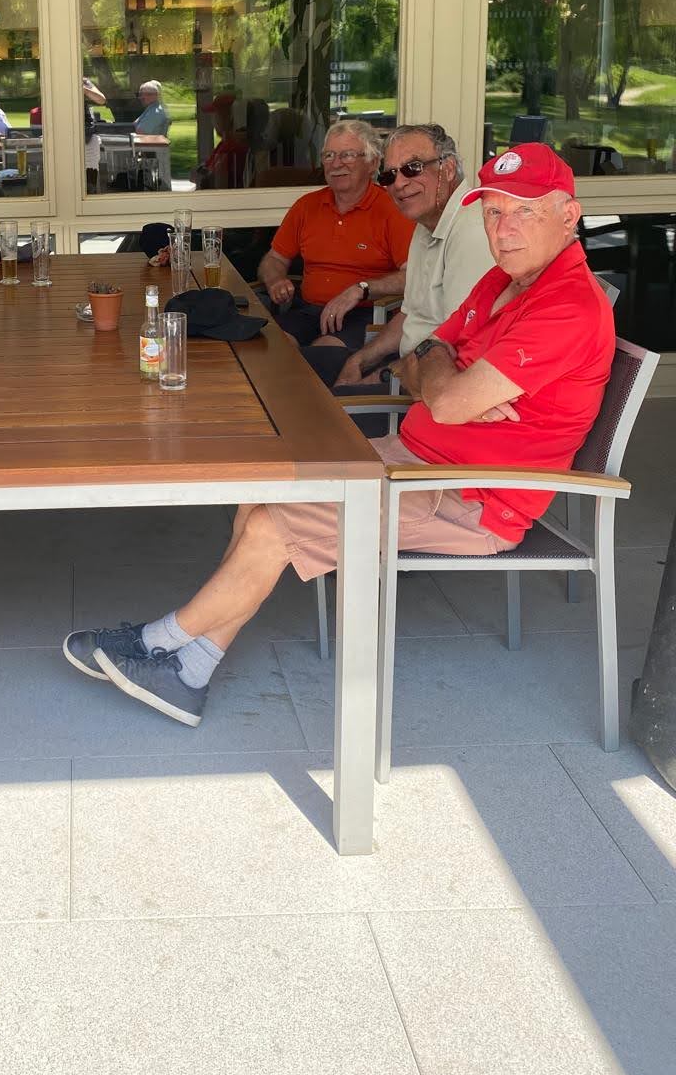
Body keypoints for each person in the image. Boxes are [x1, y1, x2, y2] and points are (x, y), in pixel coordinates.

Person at [64, 144, 615, 727]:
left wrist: (441, 378)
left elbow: (445, 396)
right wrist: (439, 367)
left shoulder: (566, 306)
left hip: (472, 496)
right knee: (263, 491)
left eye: (524, 210)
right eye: (494, 211)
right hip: (416, 456)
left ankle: (158, 641)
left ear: (569, 216)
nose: (504, 229)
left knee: (273, 525)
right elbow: (422, 355)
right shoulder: (502, 281)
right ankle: (191, 668)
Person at [329, 123, 495, 390]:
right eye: (389, 175)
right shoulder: (425, 223)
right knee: (307, 373)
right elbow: (410, 315)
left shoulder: (472, 231)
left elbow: (457, 344)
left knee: (312, 407)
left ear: (448, 168)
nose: (399, 184)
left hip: (431, 387)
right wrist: (359, 360)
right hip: (407, 365)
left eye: (412, 168)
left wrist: (380, 376)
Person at [257, 118, 414, 374]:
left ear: (373, 162)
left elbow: (413, 277)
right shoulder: (307, 206)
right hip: (307, 311)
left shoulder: (392, 209)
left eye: (347, 155)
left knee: (319, 360)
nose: (336, 164)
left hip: (364, 314)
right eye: (329, 155)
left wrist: (361, 289)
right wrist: (275, 280)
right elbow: (274, 259)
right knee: (268, 351)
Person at [194, 94, 249, 189]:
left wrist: (201, 174)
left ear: (230, 117)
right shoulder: (225, 143)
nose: (212, 120)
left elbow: (214, 182)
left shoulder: (233, 147)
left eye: (215, 114)